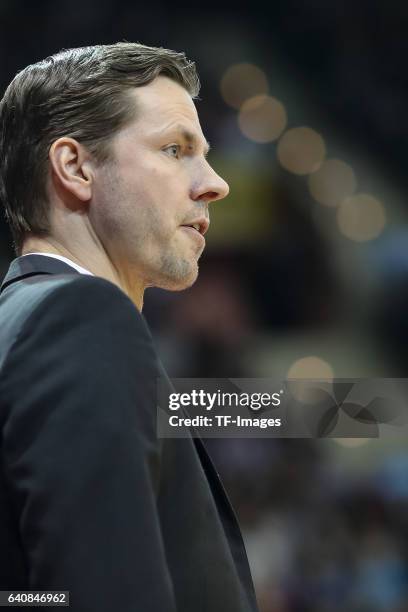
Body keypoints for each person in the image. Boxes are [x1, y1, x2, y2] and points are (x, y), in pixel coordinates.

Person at [0, 43, 259, 611]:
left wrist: (368, 407)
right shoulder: (82, 320)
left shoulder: (27, 321)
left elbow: (41, 595)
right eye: (175, 149)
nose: (216, 183)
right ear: (75, 166)